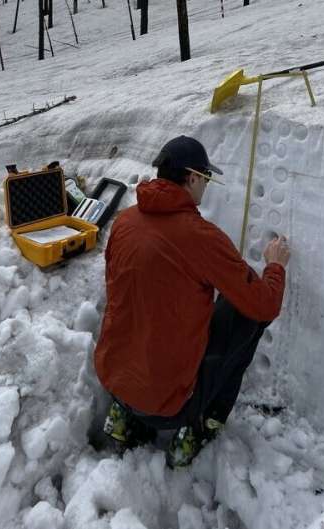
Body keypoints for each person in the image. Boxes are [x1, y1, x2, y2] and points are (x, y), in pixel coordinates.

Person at [93, 135, 290, 467]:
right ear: (193, 177)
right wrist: (275, 267)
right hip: (170, 406)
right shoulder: (199, 236)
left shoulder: (124, 222)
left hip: (116, 379)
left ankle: (123, 416)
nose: (207, 186)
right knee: (246, 313)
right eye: (206, 178)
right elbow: (264, 304)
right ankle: (200, 427)